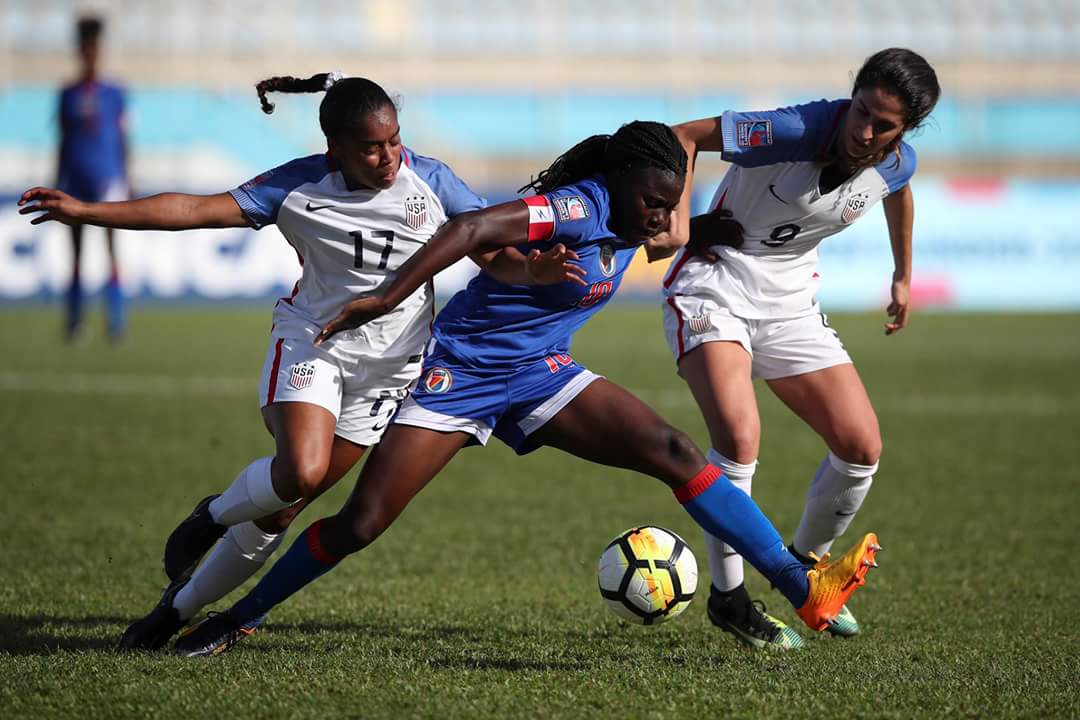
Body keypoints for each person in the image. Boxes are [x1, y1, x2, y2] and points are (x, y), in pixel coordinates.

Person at [168, 120, 880, 658]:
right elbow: (473, 225)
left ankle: (798, 584)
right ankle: (238, 618)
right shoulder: (575, 208)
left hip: (539, 372)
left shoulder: (641, 213)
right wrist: (391, 297)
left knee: (671, 448)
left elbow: (665, 235)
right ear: (623, 185)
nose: (663, 218)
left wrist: (706, 229)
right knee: (362, 524)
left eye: (672, 205)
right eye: (656, 203)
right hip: (455, 375)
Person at [20, 72, 582, 651]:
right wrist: (88, 209)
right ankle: (213, 515)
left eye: (393, 141)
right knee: (301, 473)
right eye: (371, 146)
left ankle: (176, 611)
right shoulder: (298, 185)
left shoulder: (431, 179)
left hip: (391, 368)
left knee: (282, 513)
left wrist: (529, 270)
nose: (389, 156)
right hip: (315, 343)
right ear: (334, 148)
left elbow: (490, 249)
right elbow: (192, 207)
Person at [660, 48, 939, 650]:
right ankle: (729, 600)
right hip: (716, 284)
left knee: (861, 446)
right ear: (852, 96)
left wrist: (903, 274)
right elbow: (683, 135)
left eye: (883, 125)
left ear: (904, 131)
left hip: (790, 303)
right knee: (738, 440)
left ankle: (809, 566)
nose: (864, 131)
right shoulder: (790, 130)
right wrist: (682, 227)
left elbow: (900, 186)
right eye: (860, 111)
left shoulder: (896, 161)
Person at [57, 16, 129, 342]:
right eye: (86, 48)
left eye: (95, 47)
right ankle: (75, 321)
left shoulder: (114, 93)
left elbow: (125, 140)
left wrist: (128, 177)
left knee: (112, 250)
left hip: (107, 179)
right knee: (75, 254)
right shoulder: (67, 94)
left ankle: (115, 322)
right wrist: (57, 179)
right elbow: (62, 140)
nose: (91, 53)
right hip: (74, 180)